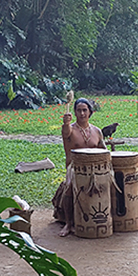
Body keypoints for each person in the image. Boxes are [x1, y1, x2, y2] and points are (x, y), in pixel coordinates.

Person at [52, 98, 106, 236]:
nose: (82, 113)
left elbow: (105, 152)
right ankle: (69, 224)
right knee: (69, 188)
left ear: (90, 112)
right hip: (74, 167)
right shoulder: (70, 130)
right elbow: (65, 132)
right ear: (74, 112)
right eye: (79, 110)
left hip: (95, 168)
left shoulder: (97, 131)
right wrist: (66, 123)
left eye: (84, 110)